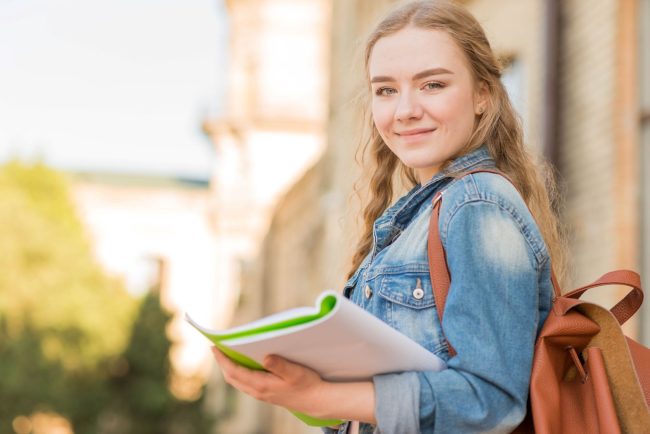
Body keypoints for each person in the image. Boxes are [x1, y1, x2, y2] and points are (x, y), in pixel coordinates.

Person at [211, 0, 567, 432]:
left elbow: (488, 402)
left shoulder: (477, 205)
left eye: (432, 85)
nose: (405, 110)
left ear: (482, 95)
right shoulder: (417, 219)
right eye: (386, 90)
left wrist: (322, 396)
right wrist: (309, 391)